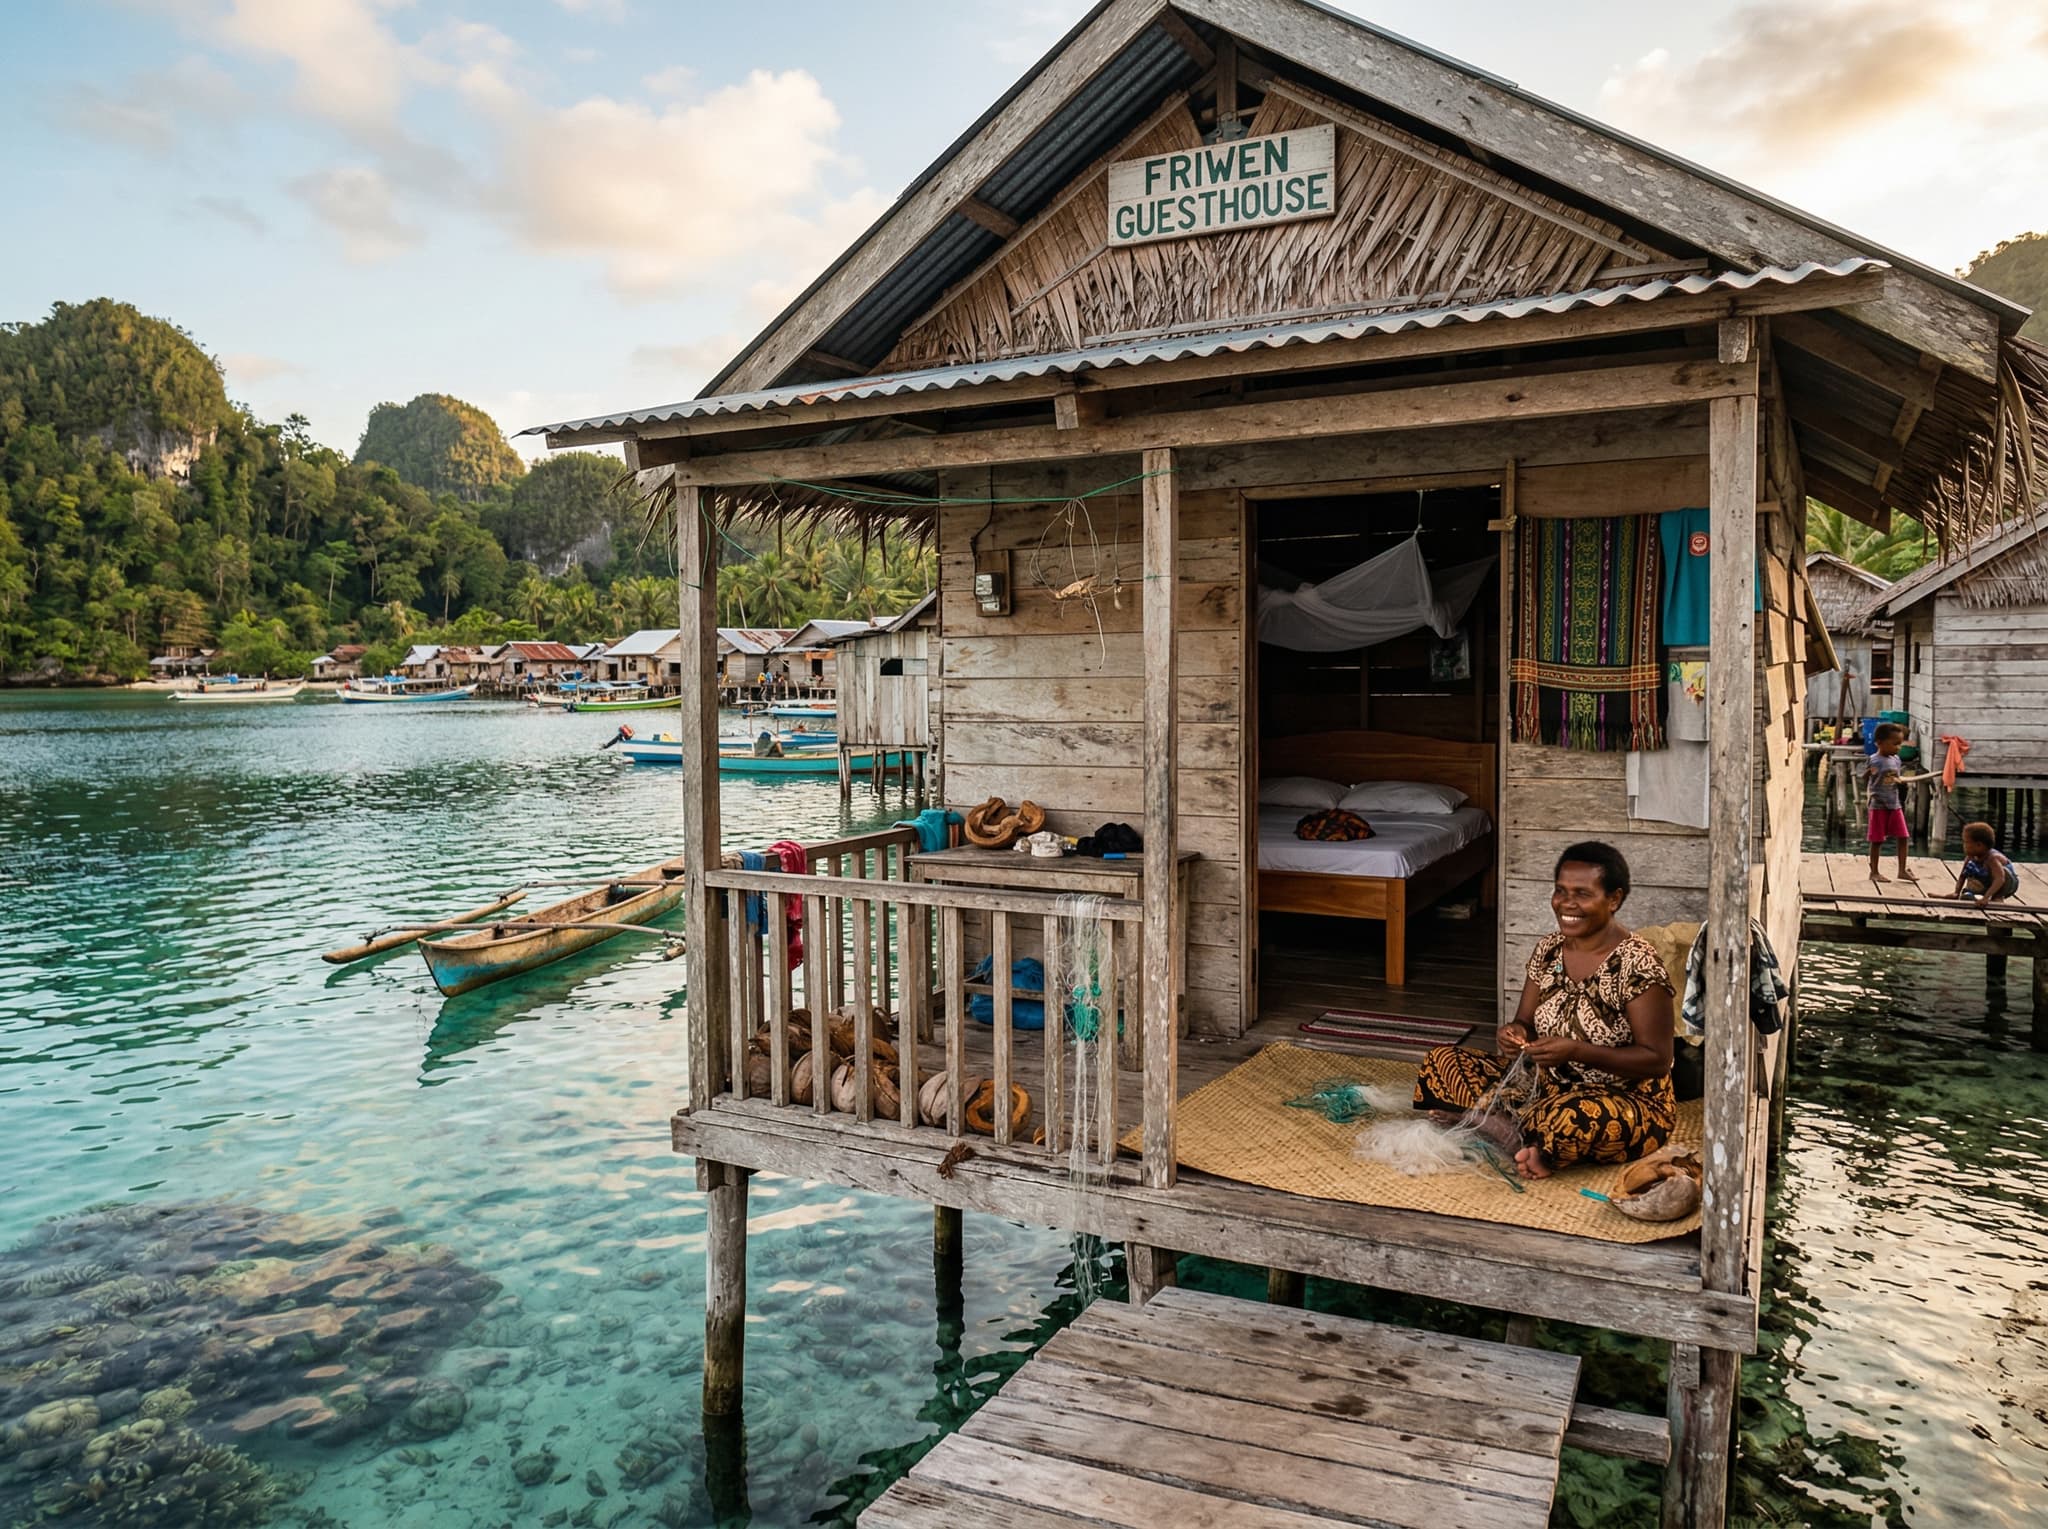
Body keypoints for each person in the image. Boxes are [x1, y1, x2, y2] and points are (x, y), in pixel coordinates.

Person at [1413, 841, 1676, 1179]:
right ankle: (1514, 1131)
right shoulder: (1549, 950)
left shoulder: (1638, 965)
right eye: (1561, 891)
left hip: (1622, 1099)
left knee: (1573, 1118)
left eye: (1582, 893)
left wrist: (1578, 1051)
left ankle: (1501, 1126)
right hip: (1541, 1084)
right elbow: (1524, 1020)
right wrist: (1514, 1034)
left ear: (1614, 899)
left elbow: (1656, 1059)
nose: (1567, 903)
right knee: (1442, 1061)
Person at [1866, 723, 1915, 883]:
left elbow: (1895, 777)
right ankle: (1874, 871)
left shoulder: (1896, 759)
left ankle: (1902, 870)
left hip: (1894, 804)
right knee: (1877, 840)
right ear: (1880, 743)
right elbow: (1869, 777)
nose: (1898, 747)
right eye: (1895, 744)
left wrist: (1899, 781)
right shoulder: (1875, 760)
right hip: (1879, 804)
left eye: (1900, 743)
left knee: (1903, 836)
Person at [1954, 821, 2022, 903]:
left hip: (2005, 883)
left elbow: (2000, 879)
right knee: (1971, 872)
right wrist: (1956, 892)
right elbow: (1963, 876)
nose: (1964, 845)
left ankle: (1997, 896)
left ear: (1979, 845)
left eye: (1966, 842)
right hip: (1984, 880)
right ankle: (1974, 895)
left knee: (2003, 873)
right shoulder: (1970, 858)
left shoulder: (1992, 859)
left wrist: (1986, 897)